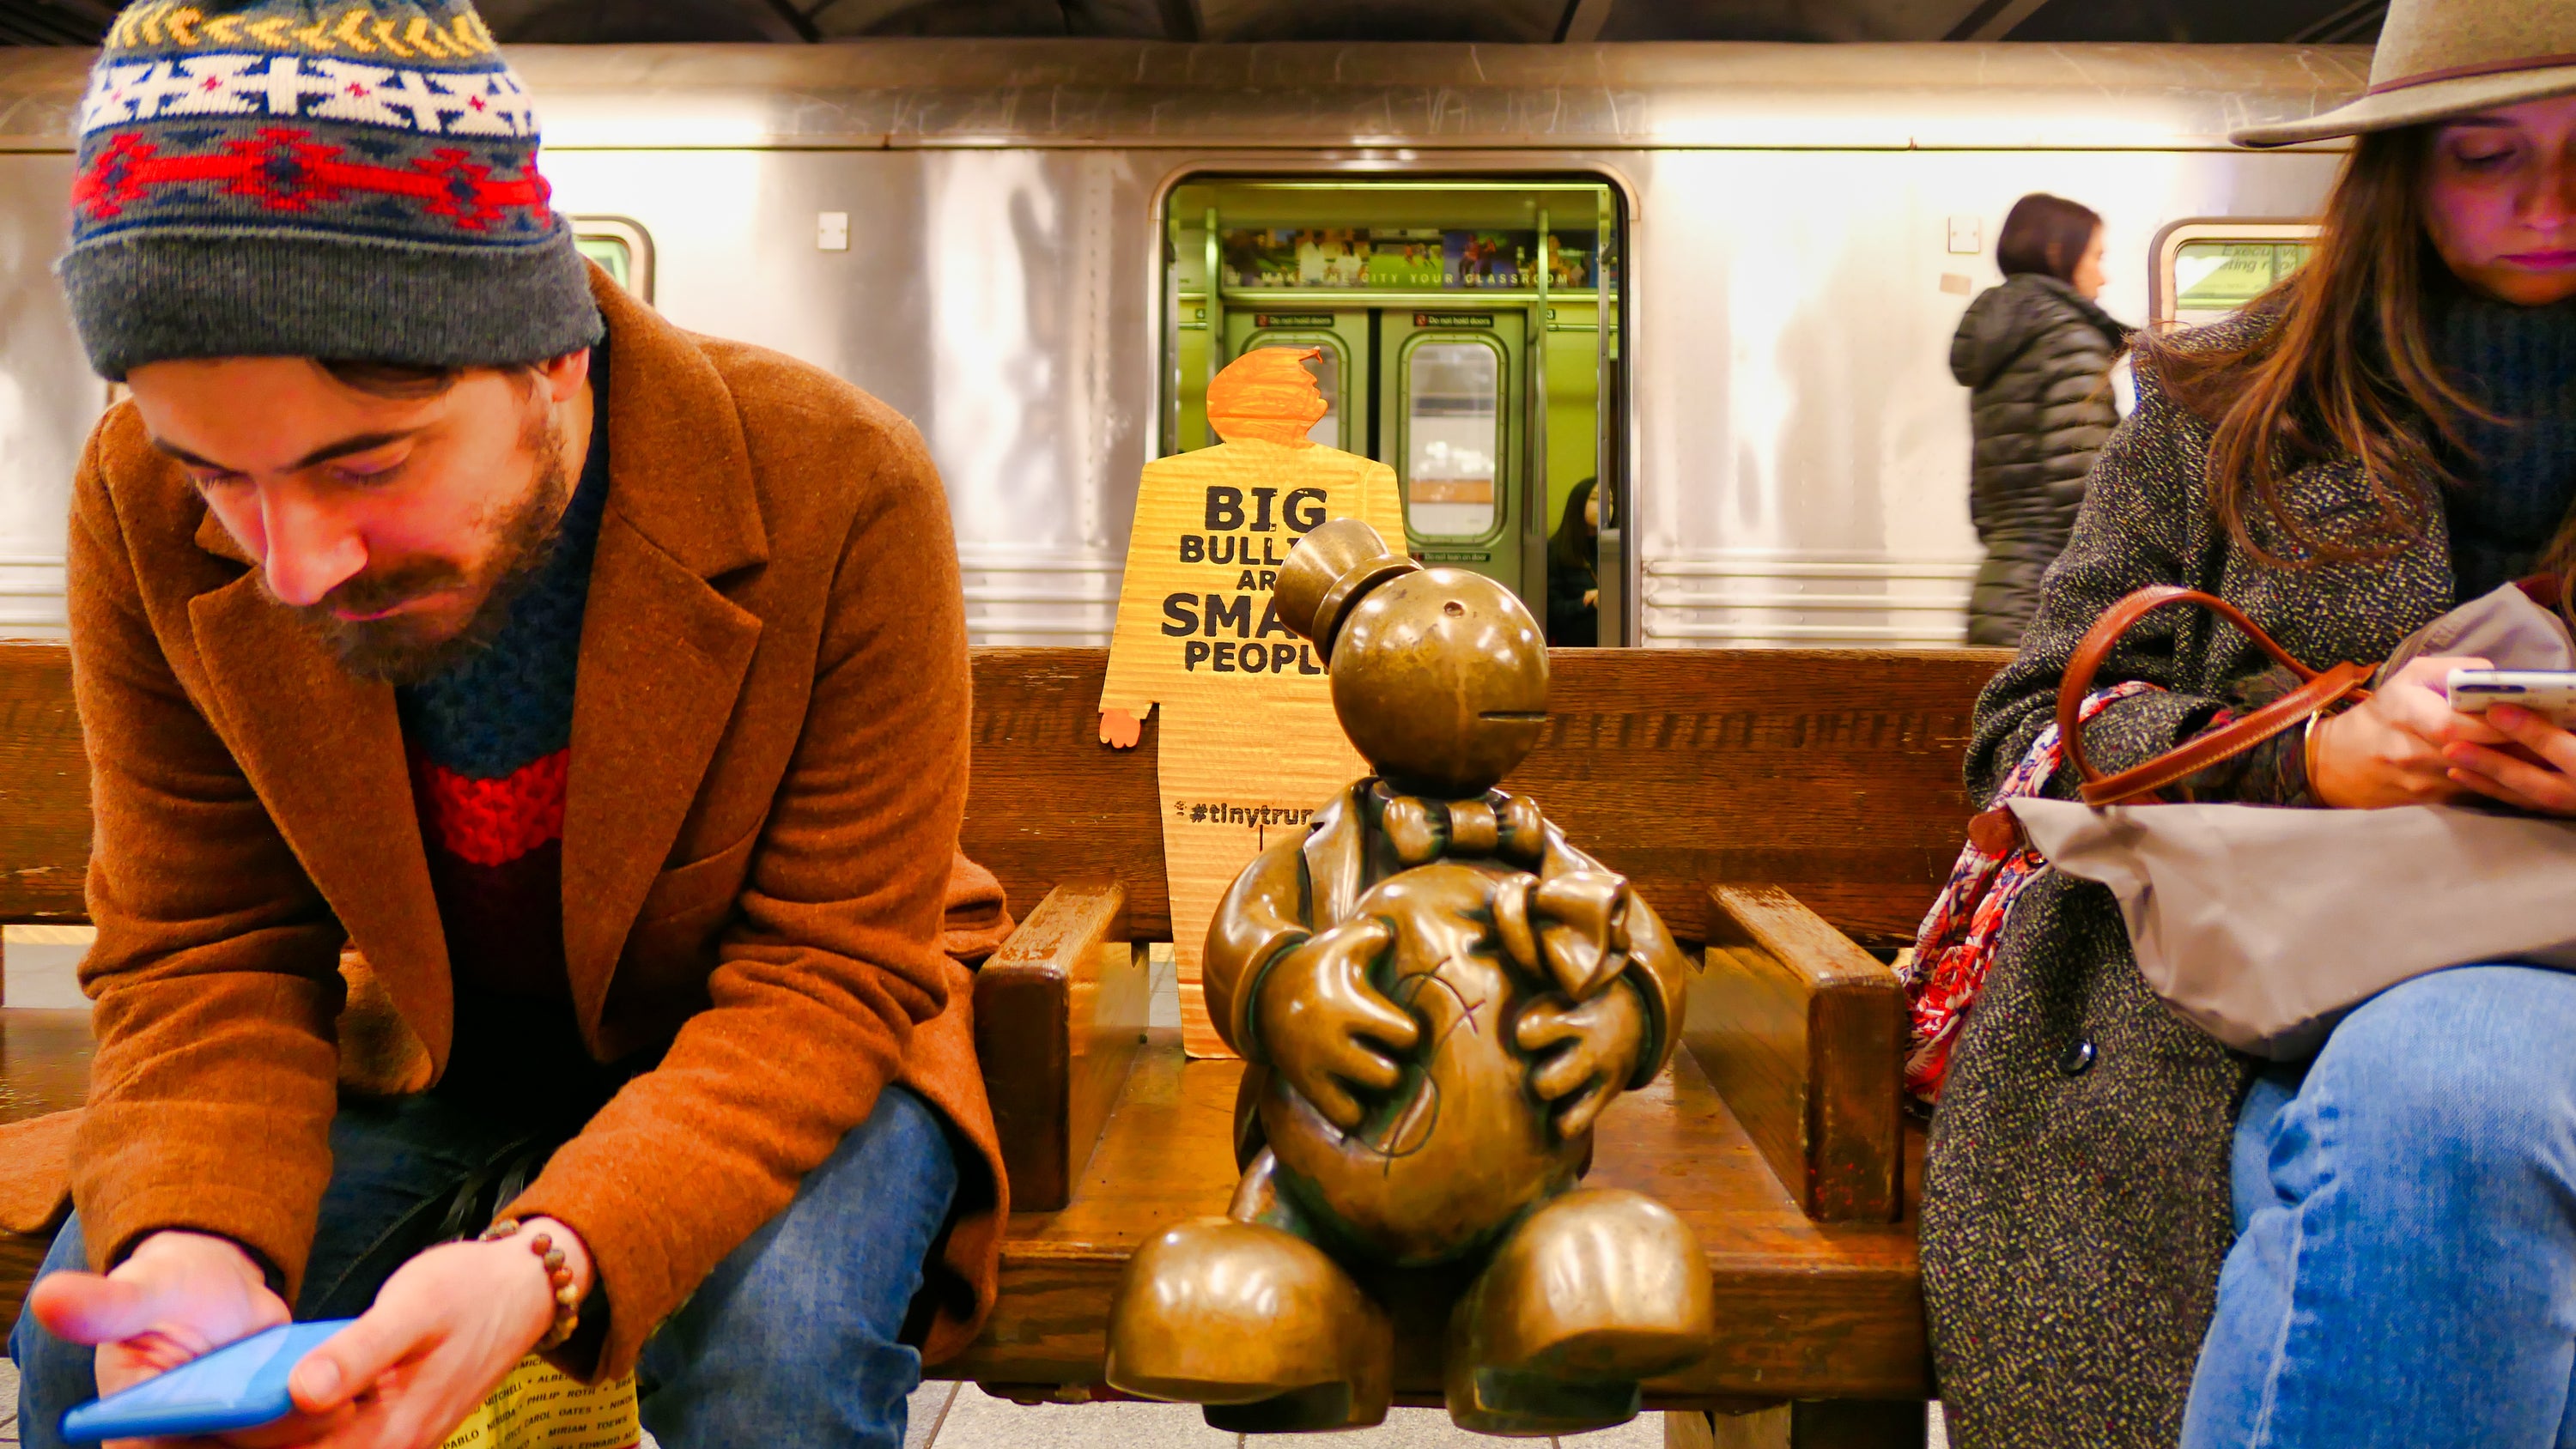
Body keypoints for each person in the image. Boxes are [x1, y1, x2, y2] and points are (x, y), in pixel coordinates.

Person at [4, 3, 1012, 1446]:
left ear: (555, 356)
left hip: (777, 1031)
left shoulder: (839, 481)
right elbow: (206, 943)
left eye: (364, 462)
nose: (290, 563)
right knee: (100, 1367)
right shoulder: (139, 502)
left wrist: (547, 1265)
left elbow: (824, 965)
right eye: (215, 472)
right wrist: (194, 1240)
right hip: (434, 1040)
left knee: (772, 1364)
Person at [1923, 3, 2576, 1446]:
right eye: (2487, 154)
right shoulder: (2225, 402)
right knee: (2449, 1103)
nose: (2547, 205)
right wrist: (2307, 751)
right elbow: (2033, 730)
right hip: (2233, 1035)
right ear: (2403, 170)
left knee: (2454, 1089)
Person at [1950, 193, 2130, 647]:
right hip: (2051, 603)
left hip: (2003, 586)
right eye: (2096, 256)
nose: (2103, 275)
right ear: (2058, 253)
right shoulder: (2067, 337)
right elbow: (2088, 491)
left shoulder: (2010, 337)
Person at [1546, 477, 1605, 647]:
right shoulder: (1556, 550)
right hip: (1574, 646)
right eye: (1595, 499)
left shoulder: (1616, 552)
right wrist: (1589, 603)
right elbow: (1552, 612)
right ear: (1578, 504)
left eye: (1609, 501)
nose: (1604, 506)